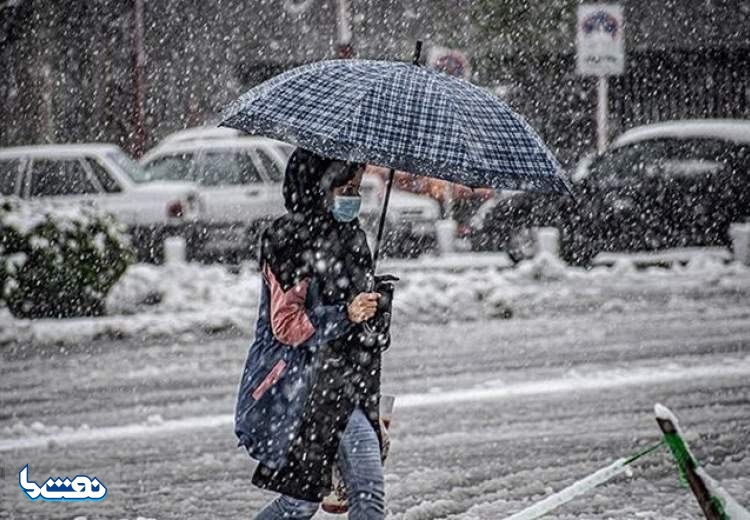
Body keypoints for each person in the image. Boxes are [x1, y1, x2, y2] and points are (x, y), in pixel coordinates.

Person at [235, 147, 393, 520]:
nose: (353, 195)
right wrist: (346, 313)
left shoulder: (352, 236)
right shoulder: (288, 240)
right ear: (320, 185)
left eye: (357, 186)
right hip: (304, 389)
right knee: (299, 503)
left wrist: (377, 307)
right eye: (346, 185)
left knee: (367, 494)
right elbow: (287, 326)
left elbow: (362, 326)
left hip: (348, 383)